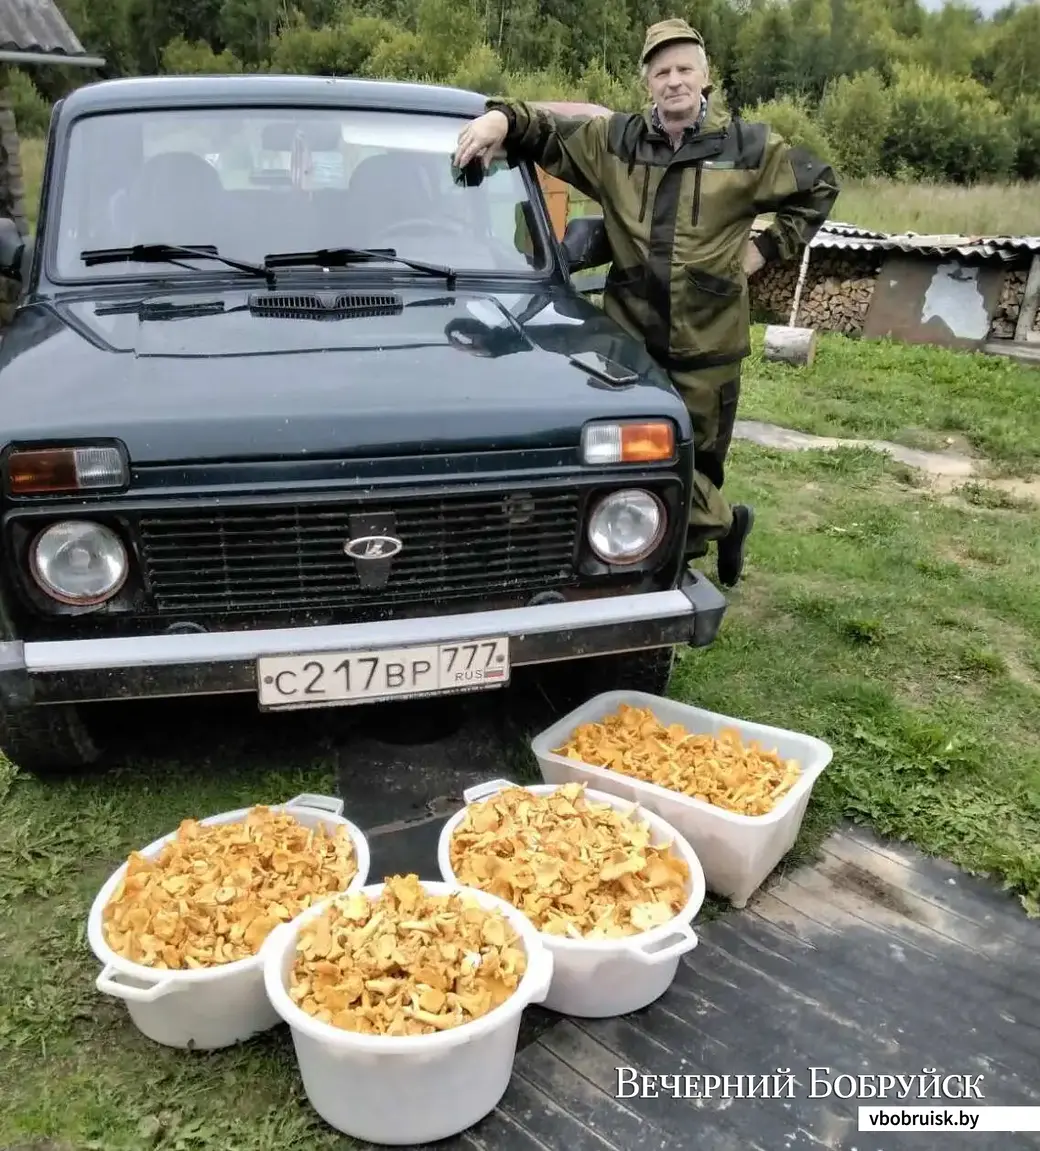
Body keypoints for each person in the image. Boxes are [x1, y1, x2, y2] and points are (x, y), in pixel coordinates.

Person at [453, 18, 840, 587]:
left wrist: (765, 248)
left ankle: (691, 556)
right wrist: (500, 118)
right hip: (628, 345)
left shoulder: (749, 148)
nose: (674, 81)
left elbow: (819, 186)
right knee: (624, 465)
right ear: (647, 82)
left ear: (706, 78)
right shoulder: (615, 142)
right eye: (662, 71)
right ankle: (700, 540)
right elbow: (548, 134)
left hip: (709, 344)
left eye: (685, 69)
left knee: (696, 468)